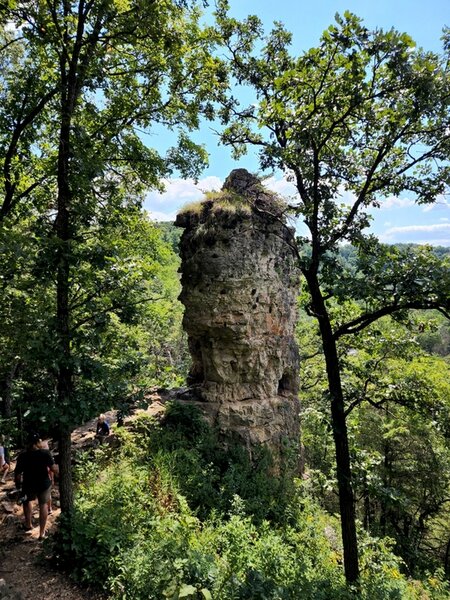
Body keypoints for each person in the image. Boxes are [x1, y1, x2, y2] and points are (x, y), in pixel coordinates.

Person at [14, 432, 58, 540]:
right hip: (43, 483)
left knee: (27, 502)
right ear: (38, 442)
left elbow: (18, 475)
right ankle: (42, 533)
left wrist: (18, 486)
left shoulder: (22, 456)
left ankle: (28, 524)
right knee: (43, 505)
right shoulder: (45, 453)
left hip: (28, 484)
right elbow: (54, 469)